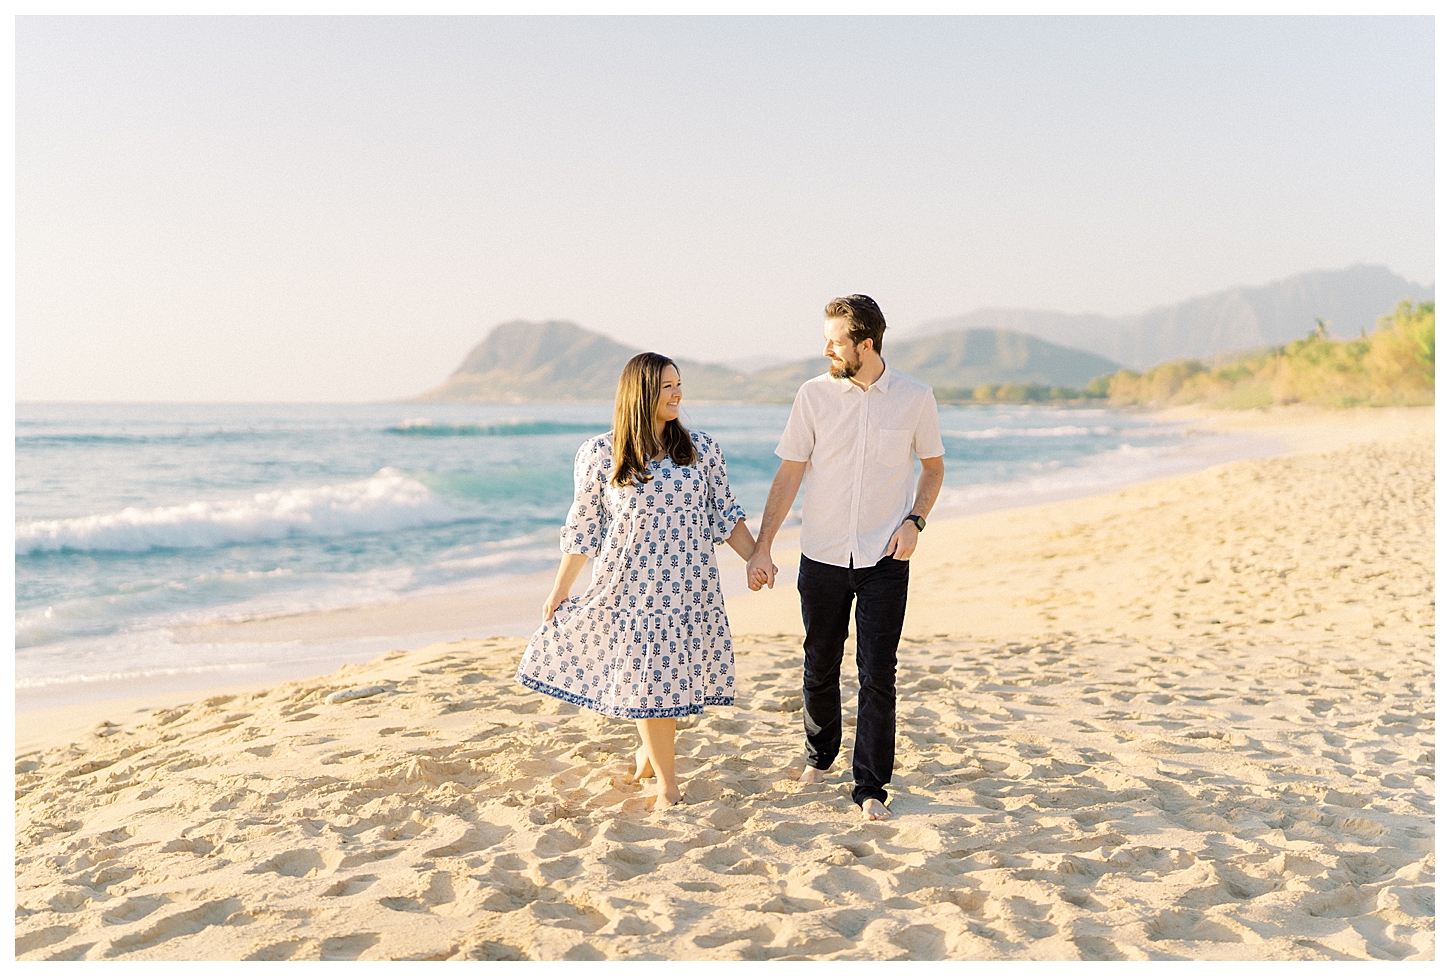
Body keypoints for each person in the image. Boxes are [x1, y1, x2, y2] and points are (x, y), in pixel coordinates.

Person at [516, 352, 767, 811]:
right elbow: (584, 527)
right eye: (668, 386)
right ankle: (668, 787)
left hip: (690, 586)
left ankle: (649, 755)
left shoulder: (701, 449)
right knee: (652, 680)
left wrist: (757, 558)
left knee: (670, 681)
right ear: (642, 392)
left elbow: (725, 515)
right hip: (631, 587)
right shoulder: (601, 453)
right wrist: (560, 589)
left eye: (679, 384)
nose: (678, 394)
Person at [747, 295, 945, 821]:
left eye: (835, 341)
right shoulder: (812, 396)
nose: (826, 349)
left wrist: (915, 521)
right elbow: (789, 473)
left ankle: (871, 787)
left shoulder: (915, 397)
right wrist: (763, 545)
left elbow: (932, 468)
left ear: (866, 344)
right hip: (823, 554)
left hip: (886, 557)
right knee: (820, 663)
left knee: (878, 672)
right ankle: (820, 756)